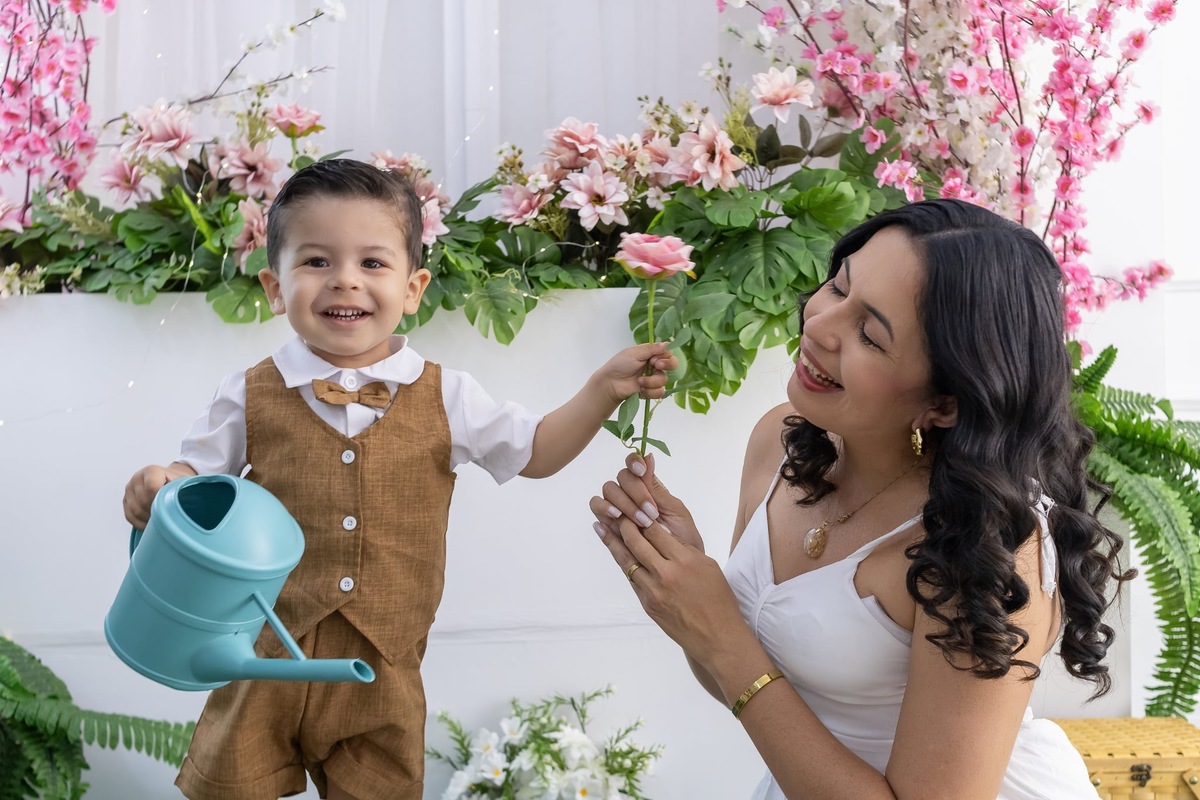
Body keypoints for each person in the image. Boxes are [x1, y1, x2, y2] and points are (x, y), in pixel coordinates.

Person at [122, 158, 677, 800]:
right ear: (275, 287)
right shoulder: (247, 394)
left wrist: (602, 390)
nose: (345, 282)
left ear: (414, 289)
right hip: (263, 654)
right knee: (235, 787)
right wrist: (160, 480)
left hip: (381, 664)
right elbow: (196, 482)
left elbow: (536, 451)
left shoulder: (448, 395)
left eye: (372, 263)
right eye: (317, 262)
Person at [589, 198, 1130, 799]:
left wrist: (721, 633)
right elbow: (747, 682)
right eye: (837, 285)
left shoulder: (991, 547)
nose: (819, 324)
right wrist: (687, 591)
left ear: (946, 402)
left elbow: (740, 662)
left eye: (870, 335)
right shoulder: (781, 441)